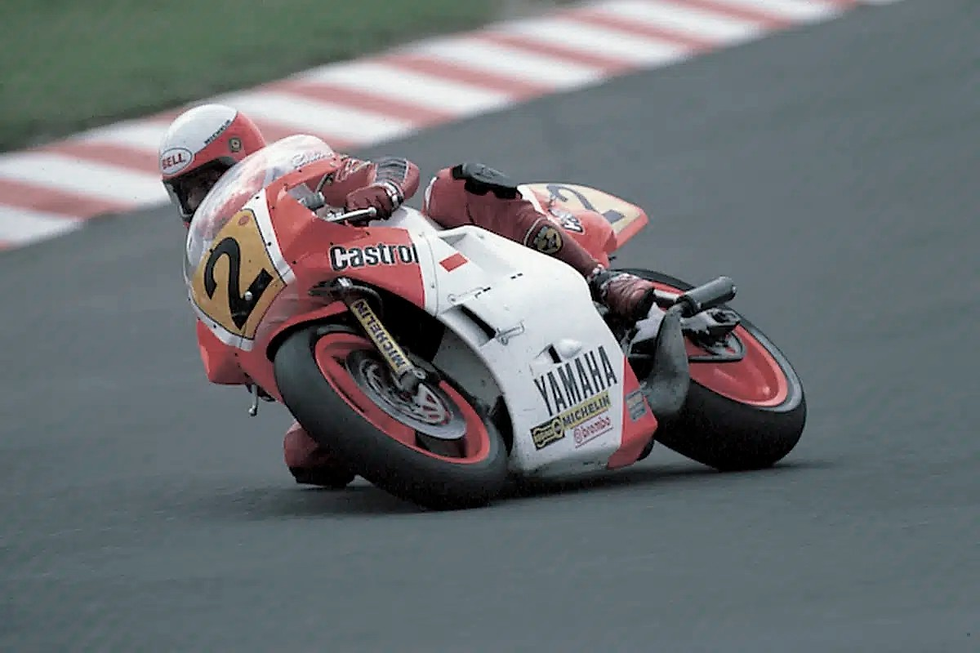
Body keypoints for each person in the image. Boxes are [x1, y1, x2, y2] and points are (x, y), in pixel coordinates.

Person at [159, 102, 660, 488]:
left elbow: (391, 167)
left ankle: (602, 281)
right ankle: (445, 421)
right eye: (187, 191)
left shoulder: (296, 179)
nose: (199, 199)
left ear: (240, 153)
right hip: (333, 314)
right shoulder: (218, 252)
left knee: (455, 185)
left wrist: (379, 193)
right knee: (306, 458)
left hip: (428, 260)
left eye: (205, 181)